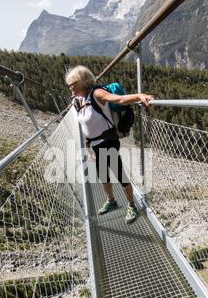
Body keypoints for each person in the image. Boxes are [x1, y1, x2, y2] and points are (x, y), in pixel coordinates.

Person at [66, 65, 154, 224]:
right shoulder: (79, 100)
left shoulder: (96, 93)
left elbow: (119, 99)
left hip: (108, 141)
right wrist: (88, 146)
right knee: (103, 176)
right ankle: (112, 201)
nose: (70, 88)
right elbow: (86, 126)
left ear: (81, 82)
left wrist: (140, 96)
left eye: (72, 85)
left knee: (119, 174)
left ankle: (131, 205)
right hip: (95, 144)